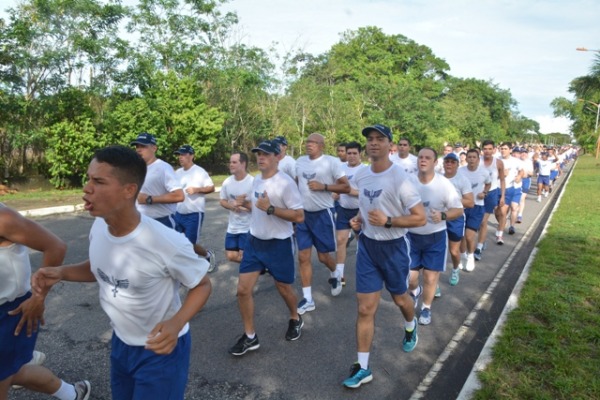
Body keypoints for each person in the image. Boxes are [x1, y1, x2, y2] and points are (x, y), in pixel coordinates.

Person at [33, 145, 212, 400]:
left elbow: (202, 285)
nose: (86, 188)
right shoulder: (99, 225)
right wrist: (61, 272)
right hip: (121, 343)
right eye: (88, 178)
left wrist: (176, 323)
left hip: (161, 350)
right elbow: (99, 268)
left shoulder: (166, 242)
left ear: (129, 190)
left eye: (98, 181)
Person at [342, 124, 426, 389]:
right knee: (365, 307)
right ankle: (363, 367)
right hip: (367, 246)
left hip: (394, 249)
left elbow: (420, 217)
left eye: (380, 139)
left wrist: (389, 221)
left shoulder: (400, 178)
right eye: (370, 139)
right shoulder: (363, 175)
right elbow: (365, 207)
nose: (373, 143)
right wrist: (358, 220)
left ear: (390, 145)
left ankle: (411, 325)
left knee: (401, 299)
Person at [0, 206, 90, 400]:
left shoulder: (3, 218)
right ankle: (73, 393)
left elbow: (55, 247)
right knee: (14, 372)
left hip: (10, 313)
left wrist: (38, 297)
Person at [228, 140, 305, 356]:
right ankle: (250, 336)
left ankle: (295, 317)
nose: (260, 157)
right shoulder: (256, 181)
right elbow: (257, 208)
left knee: (284, 288)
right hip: (254, 242)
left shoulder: (286, 183)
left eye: (265, 154)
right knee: (243, 290)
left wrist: (271, 208)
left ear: (277, 157)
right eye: (258, 154)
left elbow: (299, 216)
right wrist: (246, 205)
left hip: (279, 243)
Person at [295, 133, 350, 314]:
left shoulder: (331, 162)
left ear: (322, 146)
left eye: (313, 142)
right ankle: (308, 298)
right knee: (303, 257)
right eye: (307, 141)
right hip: (303, 215)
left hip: (323, 214)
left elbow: (346, 187)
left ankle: (335, 272)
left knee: (323, 256)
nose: (309, 144)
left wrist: (324, 187)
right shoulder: (300, 162)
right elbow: (297, 183)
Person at [407, 147, 463, 326]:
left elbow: (459, 209)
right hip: (411, 237)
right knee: (410, 278)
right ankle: (415, 291)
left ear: (435, 162)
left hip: (435, 237)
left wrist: (443, 215)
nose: (423, 160)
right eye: (420, 157)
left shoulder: (444, 184)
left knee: (431, 277)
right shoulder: (407, 182)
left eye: (427, 158)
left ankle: (426, 307)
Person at [173, 144, 217, 271]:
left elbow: (211, 187)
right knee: (176, 242)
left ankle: (208, 255)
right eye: (179, 155)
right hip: (178, 213)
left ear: (191, 156)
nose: (180, 157)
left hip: (194, 213)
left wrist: (197, 189)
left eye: (183, 154)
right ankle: (183, 269)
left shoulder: (199, 172)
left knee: (190, 244)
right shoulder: (178, 173)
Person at [130, 133, 184, 228]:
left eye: (143, 146)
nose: (138, 149)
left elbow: (179, 196)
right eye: (137, 146)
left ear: (154, 148)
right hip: (141, 221)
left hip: (163, 221)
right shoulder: (135, 169)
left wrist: (149, 199)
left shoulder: (163, 168)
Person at [332, 142, 366, 286]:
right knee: (340, 241)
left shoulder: (365, 170)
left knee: (363, 242)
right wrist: (335, 193)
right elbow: (336, 187)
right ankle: (339, 275)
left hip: (360, 211)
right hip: (343, 210)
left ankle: (365, 271)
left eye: (354, 153)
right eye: (349, 153)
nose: (351, 156)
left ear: (360, 154)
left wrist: (349, 191)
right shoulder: (340, 169)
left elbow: (366, 194)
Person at [457, 149, 491, 278]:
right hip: (462, 206)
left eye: (474, 157)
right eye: (469, 157)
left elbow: (488, 183)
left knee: (469, 236)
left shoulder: (484, 172)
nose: (471, 159)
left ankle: (470, 256)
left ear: (478, 159)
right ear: (466, 159)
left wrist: (485, 193)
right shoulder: (460, 171)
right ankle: (462, 256)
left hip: (477, 206)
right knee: (461, 236)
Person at [442, 152, 474, 289]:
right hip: (439, 219)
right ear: (443, 164)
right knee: (439, 251)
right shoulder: (437, 178)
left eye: (452, 162)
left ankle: (455, 269)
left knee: (454, 251)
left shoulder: (462, 180)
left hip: (456, 218)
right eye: (447, 161)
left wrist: (453, 200)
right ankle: (433, 282)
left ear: (457, 164)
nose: (449, 164)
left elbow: (470, 203)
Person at [219, 152, 253, 263]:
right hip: (233, 227)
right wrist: (232, 207)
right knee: (231, 256)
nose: (231, 165)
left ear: (243, 164)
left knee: (244, 256)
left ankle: (249, 274)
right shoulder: (227, 182)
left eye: (234, 162)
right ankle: (258, 266)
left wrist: (245, 206)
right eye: (230, 162)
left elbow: (259, 207)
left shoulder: (252, 182)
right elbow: (222, 201)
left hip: (248, 227)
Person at [475, 140, 505, 260]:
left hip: (491, 193)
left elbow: (502, 180)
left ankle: (479, 247)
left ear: (494, 150)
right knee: (476, 222)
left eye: (489, 149)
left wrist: (502, 195)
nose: (487, 151)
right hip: (477, 194)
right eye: (485, 149)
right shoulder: (477, 161)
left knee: (483, 221)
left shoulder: (498, 163)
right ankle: (481, 241)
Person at [497, 143, 523, 239]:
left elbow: (521, 171)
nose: (503, 150)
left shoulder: (515, 161)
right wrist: (502, 174)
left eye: (505, 148)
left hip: (509, 188)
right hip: (496, 188)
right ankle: (502, 223)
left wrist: (519, 176)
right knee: (497, 211)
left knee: (504, 212)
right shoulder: (497, 160)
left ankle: (500, 234)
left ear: (510, 150)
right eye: (502, 148)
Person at [517, 147, 534, 223]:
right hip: (517, 180)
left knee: (521, 198)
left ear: (527, 154)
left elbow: (532, 173)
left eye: (525, 153)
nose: (523, 154)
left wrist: (526, 173)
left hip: (526, 180)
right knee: (516, 199)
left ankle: (519, 215)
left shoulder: (529, 162)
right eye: (522, 153)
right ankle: (514, 211)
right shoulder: (516, 161)